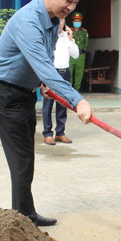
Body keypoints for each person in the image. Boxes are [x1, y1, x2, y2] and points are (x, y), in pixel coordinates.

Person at [0, 0, 93, 227]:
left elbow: (41, 65)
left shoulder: (52, 19)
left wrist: (42, 83)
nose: (71, 7)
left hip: (23, 93)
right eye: (68, 1)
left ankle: (26, 214)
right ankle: (21, 222)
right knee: (21, 160)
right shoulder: (29, 21)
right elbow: (43, 63)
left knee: (25, 159)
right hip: (6, 94)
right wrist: (77, 100)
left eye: (75, 3)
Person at [42, 17, 78, 145]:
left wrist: (71, 39)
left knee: (63, 104)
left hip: (64, 73)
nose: (60, 24)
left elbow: (75, 54)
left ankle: (60, 133)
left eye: (62, 22)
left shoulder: (66, 37)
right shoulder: (47, 35)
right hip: (51, 73)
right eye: (58, 21)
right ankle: (47, 133)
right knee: (48, 104)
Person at [68, 11, 89, 90]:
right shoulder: (69, 31)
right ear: (73, 21)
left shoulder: (84, 32)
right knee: (69, 73)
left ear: (81, 22)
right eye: (75, 21)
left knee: (79, 74)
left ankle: (76, 90)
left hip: (80, 56)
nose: (77, 22)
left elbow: (86, 44)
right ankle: (69, 90)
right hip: (71, 56)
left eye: (79, 21)